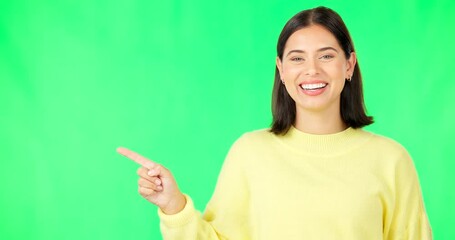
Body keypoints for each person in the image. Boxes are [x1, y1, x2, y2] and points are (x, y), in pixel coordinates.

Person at [117, 6, 432, 239]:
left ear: (348, 65)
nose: (311, 70)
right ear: (281, 70)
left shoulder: (391, 159)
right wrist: (174, 205)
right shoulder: (250, 153)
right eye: (297, 58)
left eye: (326, 56)